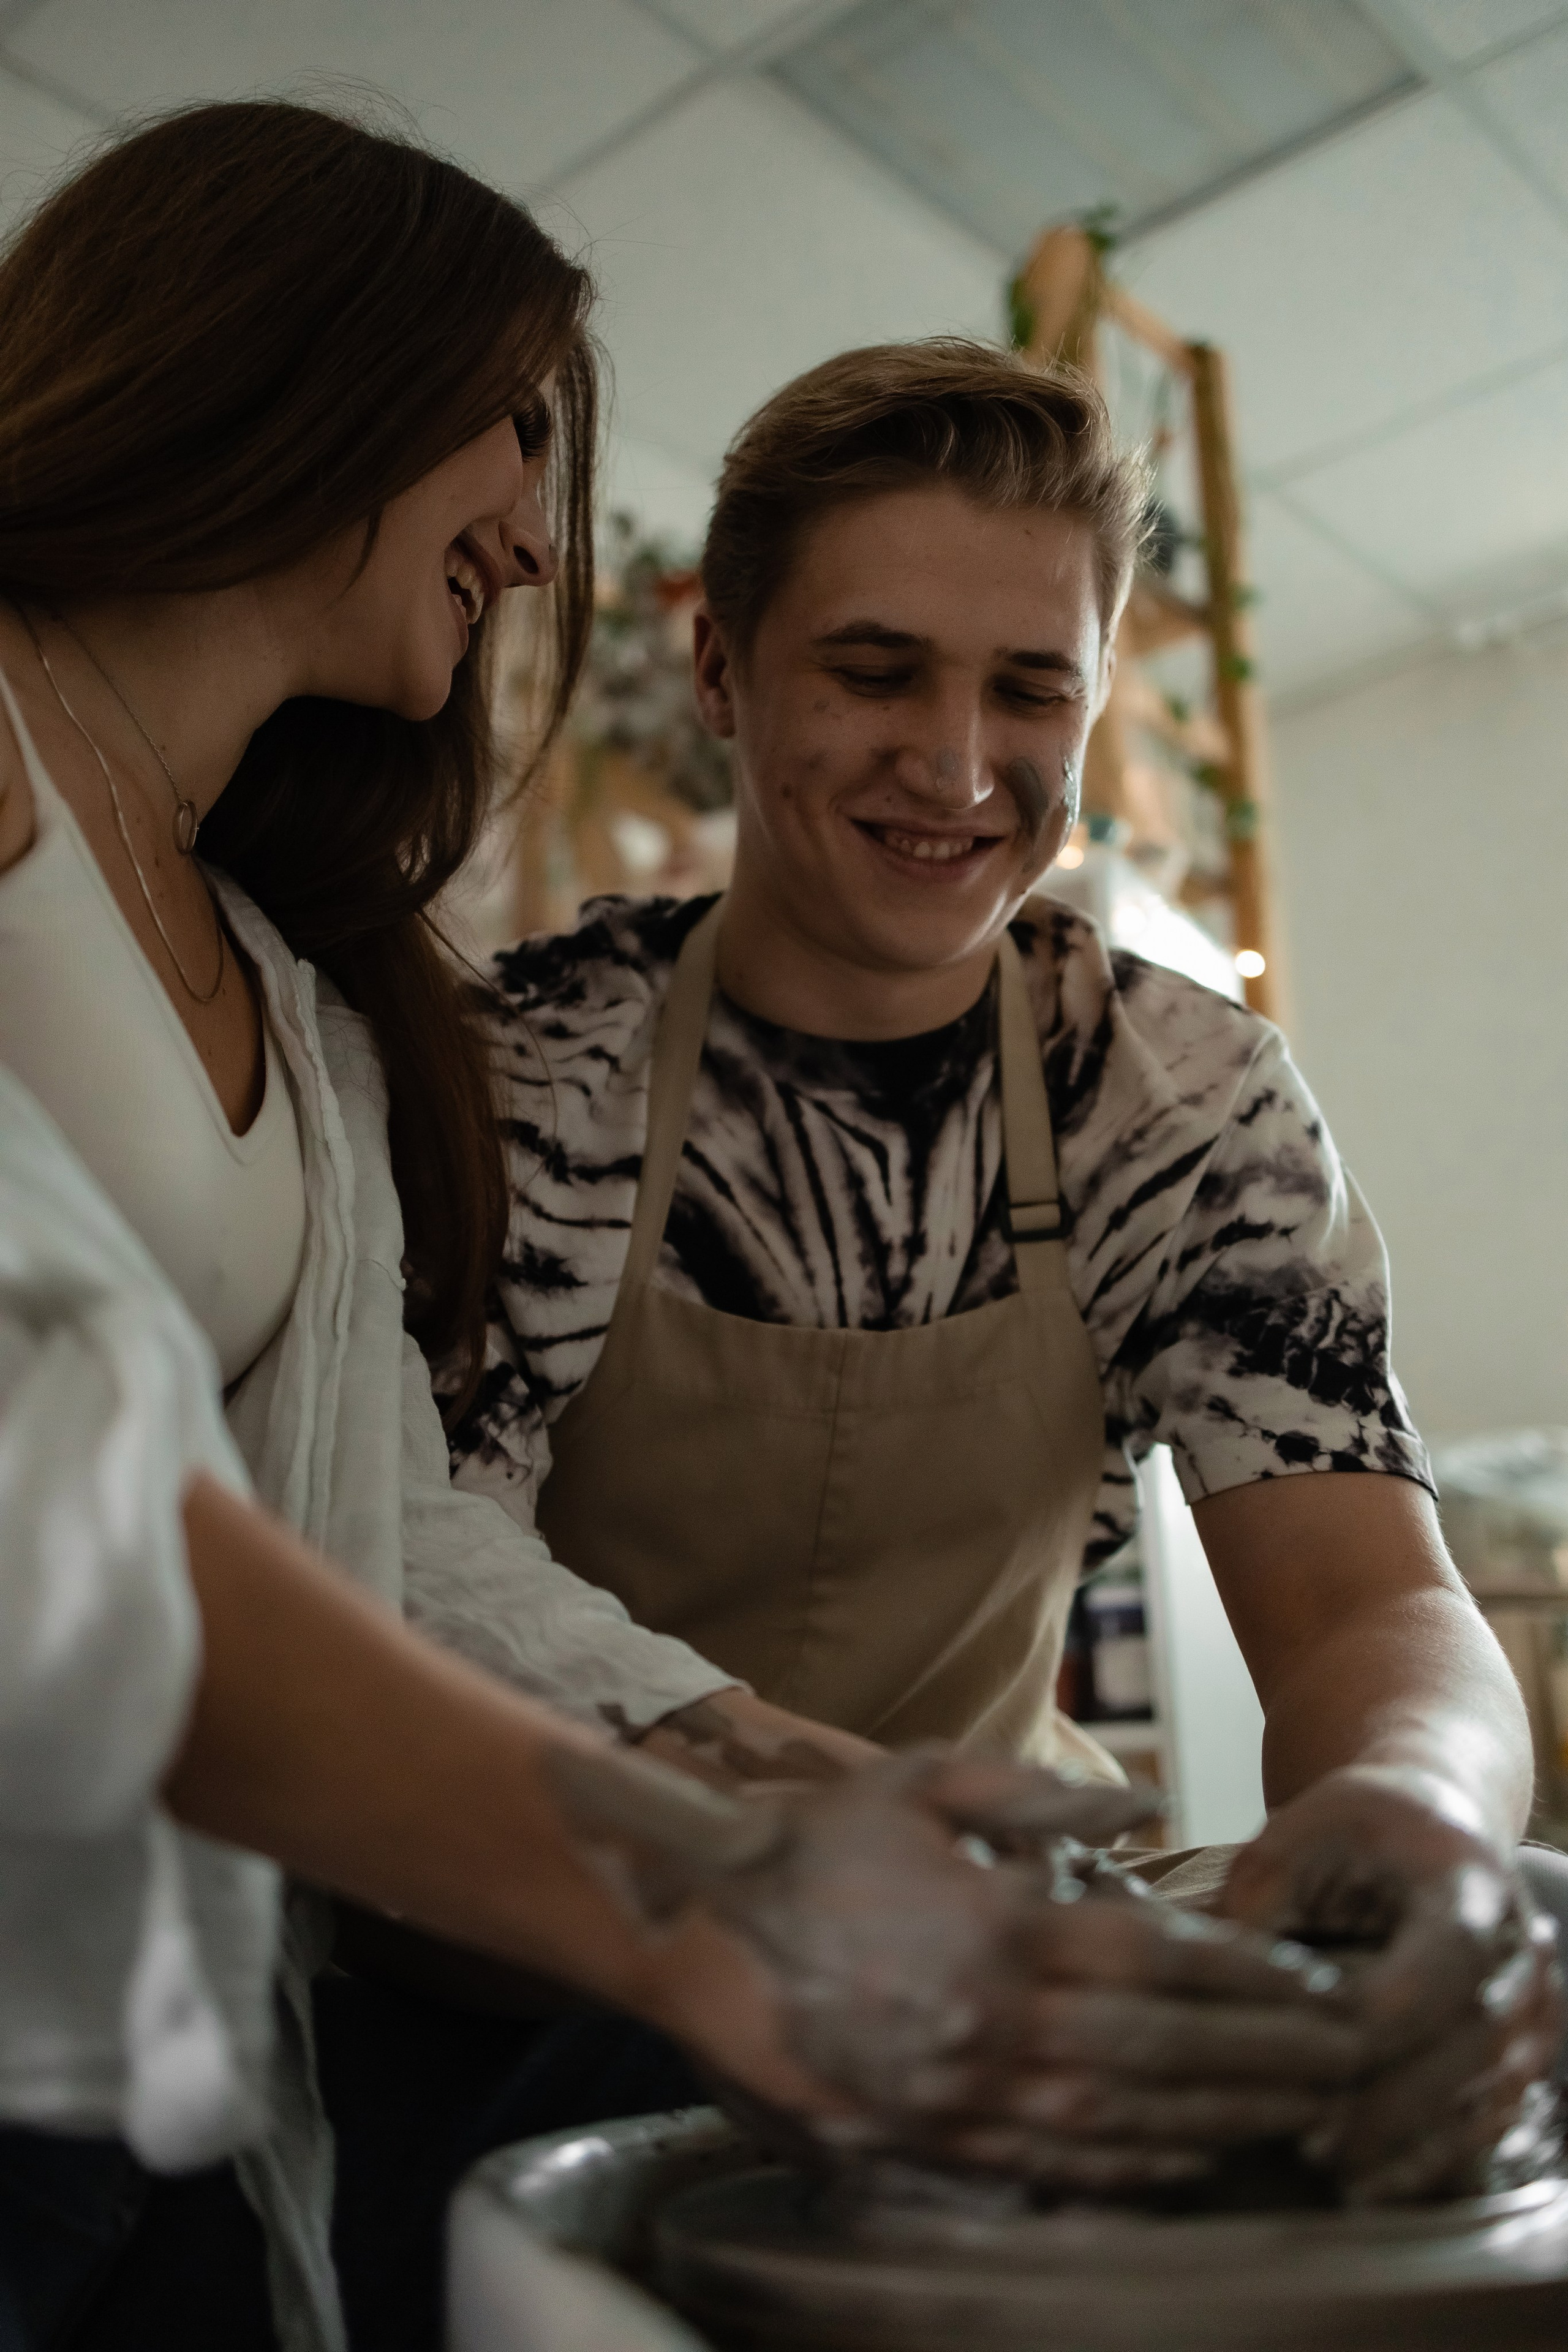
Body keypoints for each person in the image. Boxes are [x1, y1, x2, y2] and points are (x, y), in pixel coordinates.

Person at [0, 106, 1361, 2352]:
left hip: (173, 2023)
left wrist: (791, 1799)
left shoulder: (311, 998)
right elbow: (60, 1455)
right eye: (514, 433)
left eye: (1031, 689)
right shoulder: (513, 1037)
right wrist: (709, 1883)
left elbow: (367, 1533)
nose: (538, 540)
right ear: (303, 367)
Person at [448, 337, 1566, 2209]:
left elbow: (1376, 1601)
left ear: (1095, 698)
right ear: (721, 668)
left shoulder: (1184, 1104)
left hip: (987, 1934)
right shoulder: (519, 1068)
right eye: (876, 672)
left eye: (1029, 690)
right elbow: (409, 1575)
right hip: (543, 1933)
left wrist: (1414, 1813)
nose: (959, 767)